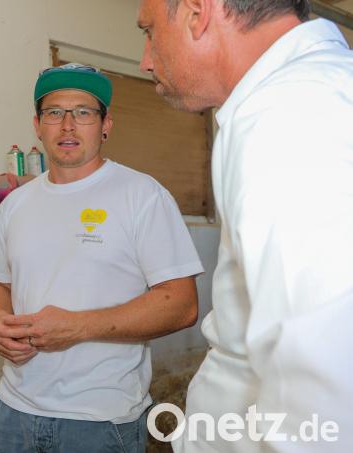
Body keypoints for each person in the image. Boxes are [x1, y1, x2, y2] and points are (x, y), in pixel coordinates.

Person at [137, 0, 353, 451]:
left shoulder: (291, 115)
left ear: (197, 13)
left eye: (151, 32)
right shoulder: (307, 93)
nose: (146, 59)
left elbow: (322, 401)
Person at [0, 63, 205, 453]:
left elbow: (181, 304)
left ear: (105, 126)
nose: (67, 125)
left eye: (83, 112)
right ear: (37, 125)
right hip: (12, 413)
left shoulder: (142, 196)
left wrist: (78, 327)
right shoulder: (16, 204)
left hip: (100, 422)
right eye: (54, 113)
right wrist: (0, 319)